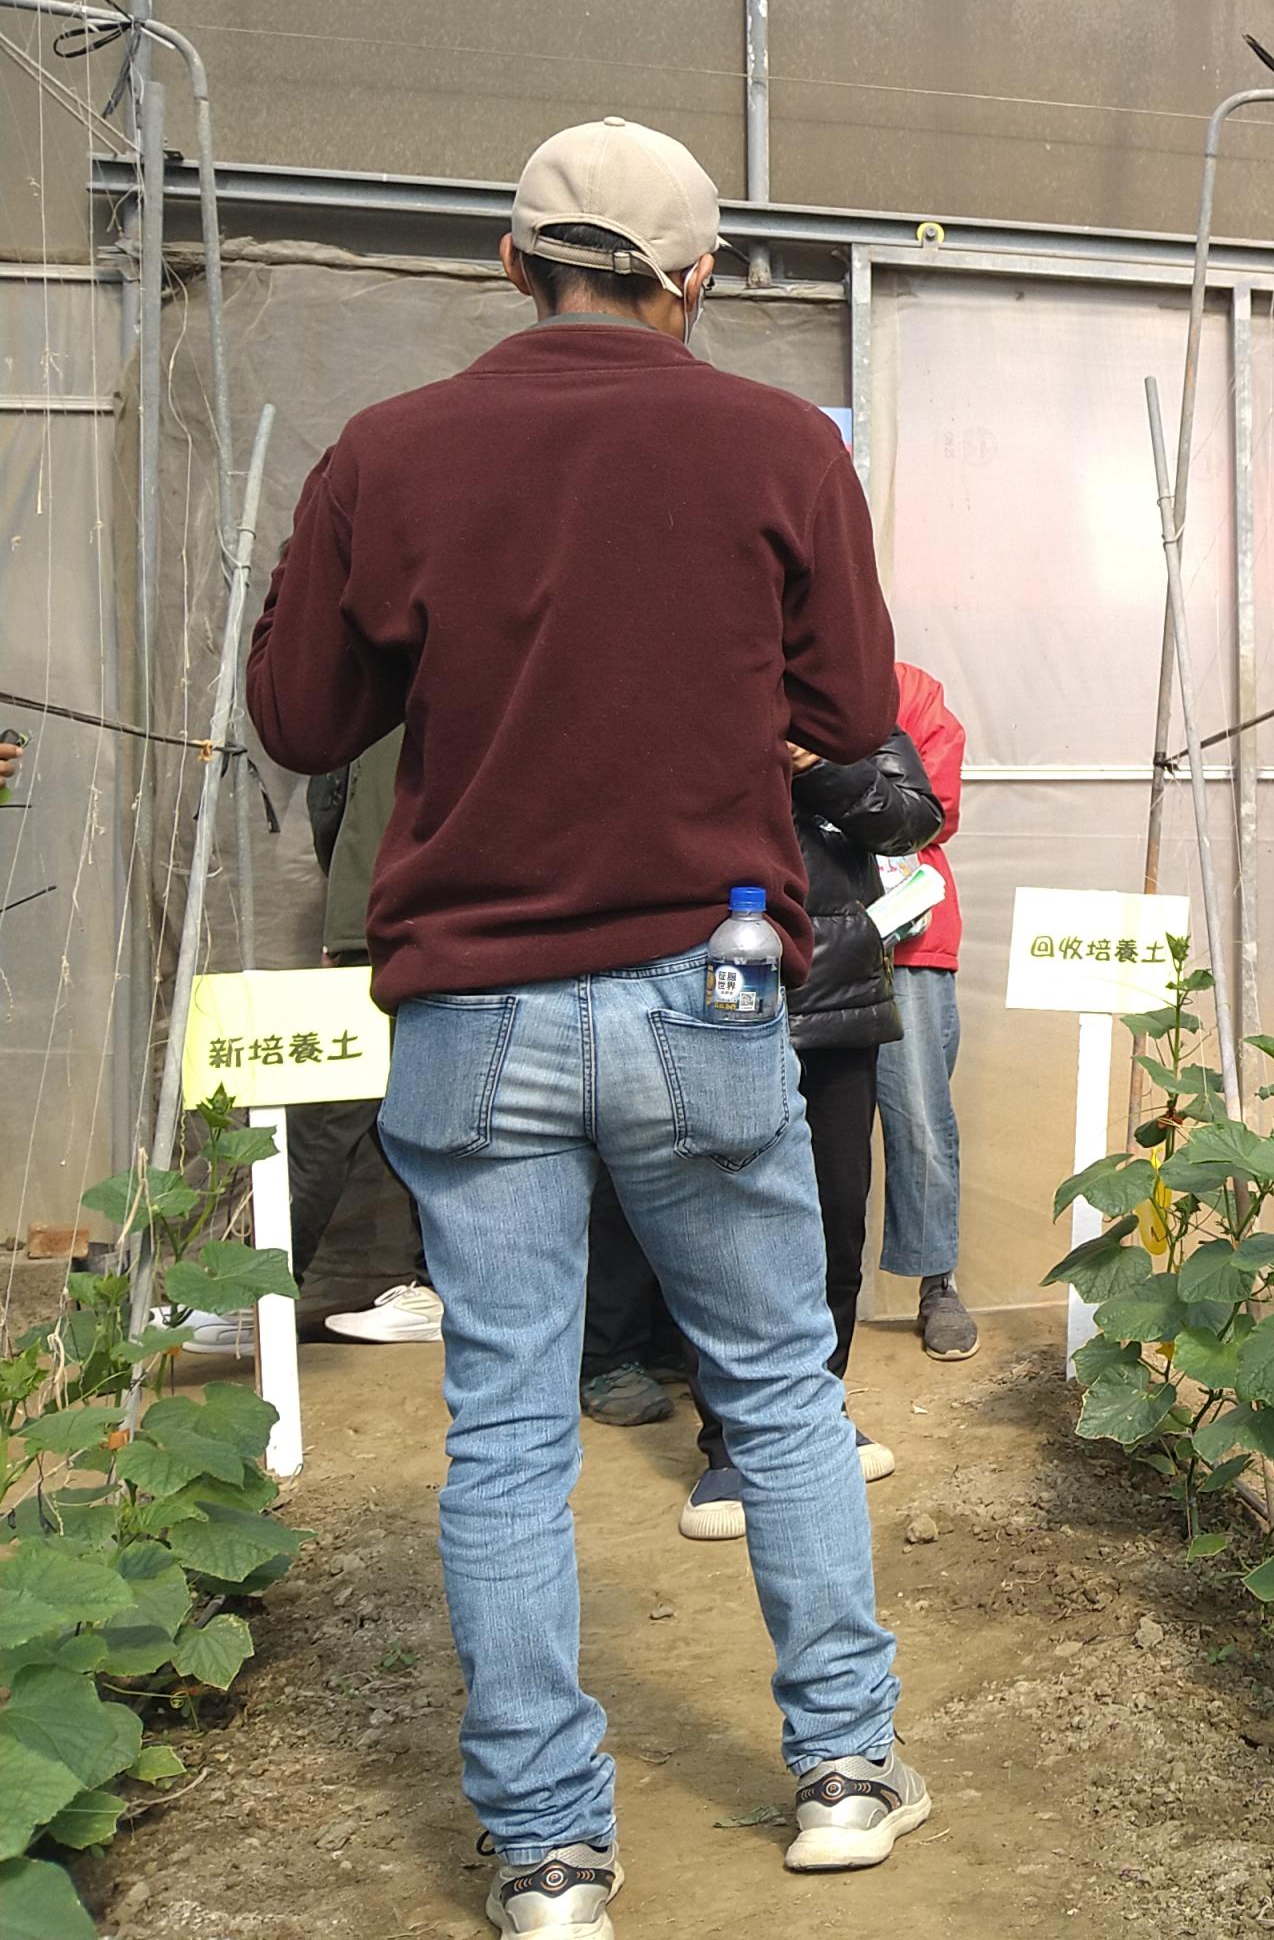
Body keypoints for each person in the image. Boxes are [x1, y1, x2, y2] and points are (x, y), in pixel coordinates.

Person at [243, 116, 929, 1929]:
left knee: (508, 1428)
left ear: (509, 258)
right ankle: (845, 1770)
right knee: (778, 1391)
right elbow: (854, 702)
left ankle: (548, 1856)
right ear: (696, 278)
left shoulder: (389, 452)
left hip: (472, 998)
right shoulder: (778, 443)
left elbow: (304, 719)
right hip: (704, 979)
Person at [604, 728, 940, 1541]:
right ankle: (729, 1446)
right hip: (709, 1003)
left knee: (834, 1225)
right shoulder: (690, 684)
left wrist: (820, 765)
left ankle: (817, 1417)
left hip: (836, 1009)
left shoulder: (850, 707)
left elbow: (909, 820)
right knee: (717, 1234)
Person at [295, 730, 442, 1344]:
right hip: (453, 915)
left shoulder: (370, 665)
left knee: (327, 1110)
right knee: (438, 1106)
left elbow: (330, 791)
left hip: (380, 911)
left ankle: (251, 1295)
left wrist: (347, 914)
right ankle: (438, 1289)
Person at [874, 662, 976, 1360]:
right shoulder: (768, 673)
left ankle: (937, 1283)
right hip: (798, 930)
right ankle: (800, 1300)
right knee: (789, 1125)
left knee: (919, 1118)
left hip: (907, 941)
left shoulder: (909, 688)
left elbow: (929, 808)